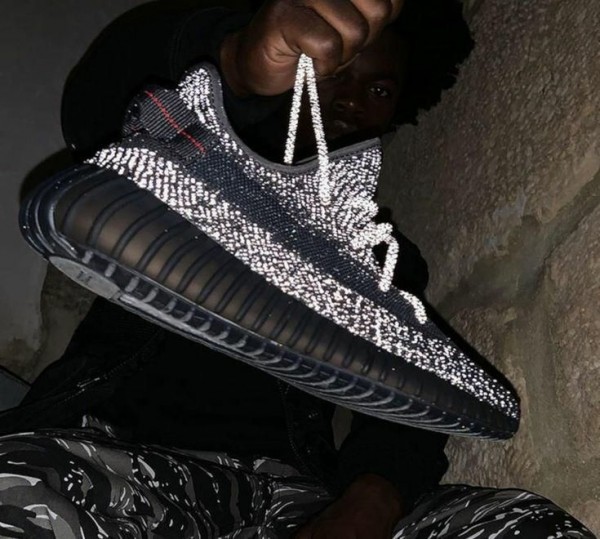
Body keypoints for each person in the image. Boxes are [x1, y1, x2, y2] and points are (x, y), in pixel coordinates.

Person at [0, 1, 594, 537]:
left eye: (379, 89)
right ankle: (219, 177)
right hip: (105, 454)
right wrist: (236, 62)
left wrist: (370, 503)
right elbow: (96, 107)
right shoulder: (189, 147)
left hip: (283, 498)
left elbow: (402, 415)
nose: (352, 101)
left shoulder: (390, 257)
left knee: (523, 528)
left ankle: (313, 252)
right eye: (335, 74)